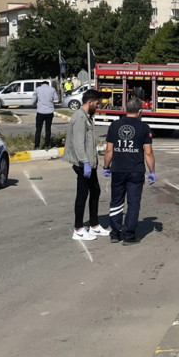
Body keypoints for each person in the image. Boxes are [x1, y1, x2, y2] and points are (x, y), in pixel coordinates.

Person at [103, 96, 155, 244]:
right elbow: (148, 153)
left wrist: (106, 167)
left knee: (116, 201)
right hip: (136, 170)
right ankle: (129, 235)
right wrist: (152, 172)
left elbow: (109, 150)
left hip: (118, 169)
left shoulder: (114, 125)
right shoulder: (144, 128)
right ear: (140, 111)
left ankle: (115, 233)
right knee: (133, 203)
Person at [63, 90, 109, 241]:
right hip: (83, 163)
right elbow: (78, 143)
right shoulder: (79, 118)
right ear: (90, 102)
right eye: (97, 103)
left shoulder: (87, 117)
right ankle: (78, 229)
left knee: (95, 191)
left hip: (89, 162)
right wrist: (85, 163)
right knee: (82, 195)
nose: (98, 105)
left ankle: (94, 226)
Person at [32, 79, 59, 150]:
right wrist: (50, 102)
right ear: (48, 84)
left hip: (40, 111)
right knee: (48, 129)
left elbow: (33, 100)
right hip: (49, 112)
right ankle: (47, 145)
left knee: (38, 129)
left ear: (41, 84)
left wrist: (35, 104)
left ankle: (36, 146)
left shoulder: (37, 89)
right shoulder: (52, 89)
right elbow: (56, 100)